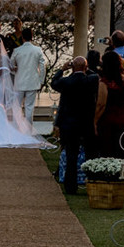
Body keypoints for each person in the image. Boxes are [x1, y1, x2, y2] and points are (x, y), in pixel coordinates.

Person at [51, 57, 102, 194]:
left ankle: (70, 186)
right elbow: (98, 75)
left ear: (72, 68)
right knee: (91, 154)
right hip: (87, 122)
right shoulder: (91, 80)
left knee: (71, 155)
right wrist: (85, 67)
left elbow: (54, 83)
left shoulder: (66, 82)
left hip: (69, 123)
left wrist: (62, 69)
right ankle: (92, 182)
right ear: (85, 68)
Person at [94, 51, 124, 158]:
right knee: (122, 151)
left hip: (108, 120)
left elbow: (101, 104)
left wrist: (95, 122)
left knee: (108, 152)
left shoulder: (104, 82)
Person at [10, 27, 46, 125]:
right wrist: (41, 81)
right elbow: (42, 67)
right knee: (29, 108)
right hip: (32, 82)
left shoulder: (17, 50)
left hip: (19, 82)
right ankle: (28, 131)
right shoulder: (38, 50)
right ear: (32, 37)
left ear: (22, 37)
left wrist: (15, 72)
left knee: (17, 107)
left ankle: (16, 130)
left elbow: (10, 65)